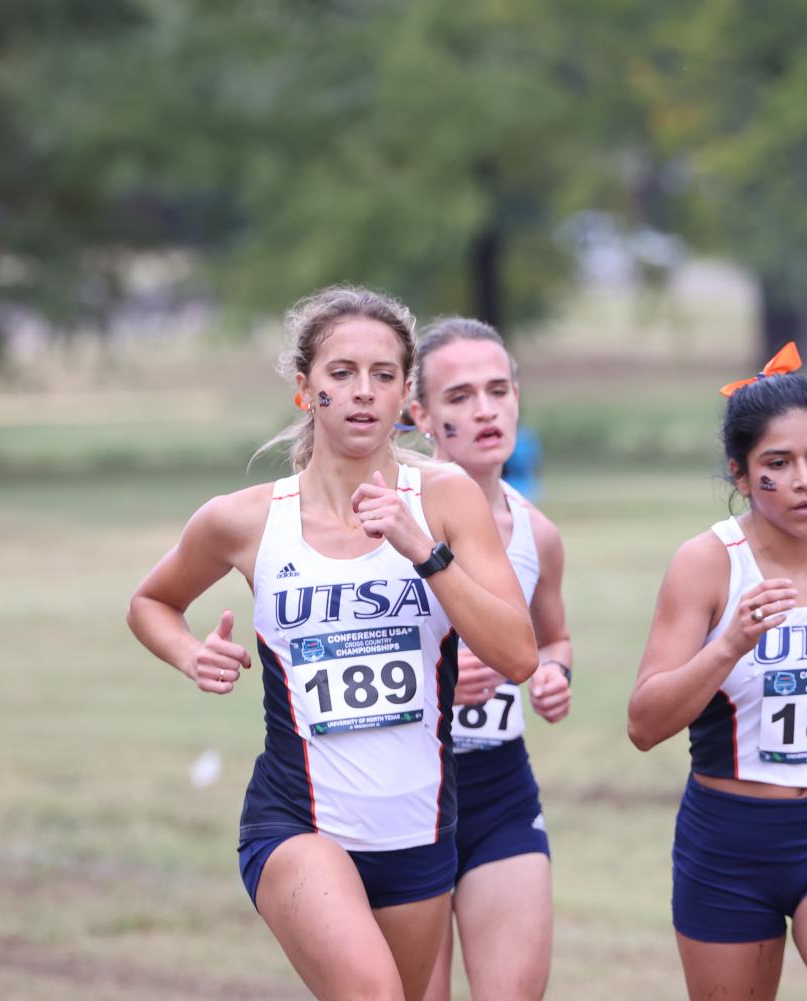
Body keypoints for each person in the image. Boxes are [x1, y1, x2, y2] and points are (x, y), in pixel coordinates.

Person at [126, 286, 538, 1001]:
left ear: (406, 393)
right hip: (298, 820)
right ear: (304, 388)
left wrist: (425, 553)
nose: (361, 392)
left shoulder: (443, 499)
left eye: (383, 375)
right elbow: (150, 601)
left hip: (417, 824)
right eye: (341, 372)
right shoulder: (247, 519)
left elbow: (518, 655)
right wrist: (191, 654)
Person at [627, 343, 807, 1001]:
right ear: (739, 473)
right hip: (730, 840)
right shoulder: (706, 564)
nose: (804, 480)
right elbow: (644, 722)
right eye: (777, 464)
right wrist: (729, 643)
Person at [407, 317, 572, 1001]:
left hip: (501, 786)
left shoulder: (537, 531)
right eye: (459, 395)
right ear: (419, 414)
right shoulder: (389, 519)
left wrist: (555, 674)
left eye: (498, 389)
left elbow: (552, 640)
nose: (484, 409)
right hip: (401, 789)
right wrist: (440, 679)